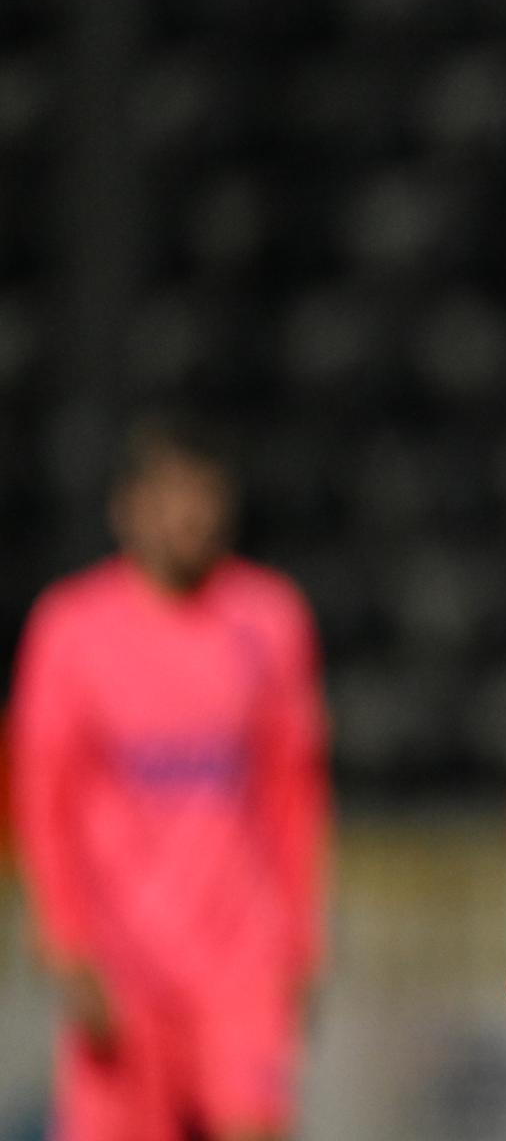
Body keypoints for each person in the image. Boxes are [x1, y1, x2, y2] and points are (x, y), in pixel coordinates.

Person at [10, 417, 330, 1141]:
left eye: (205, 496)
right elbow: (44, 801)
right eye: (170, 496)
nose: (190, 516)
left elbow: (294, 793)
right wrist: (64, 943)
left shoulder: (270, 620)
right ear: (126, 507)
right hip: (123, 965)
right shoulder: (70, 629)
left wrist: (301, 943)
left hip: (240, 963)